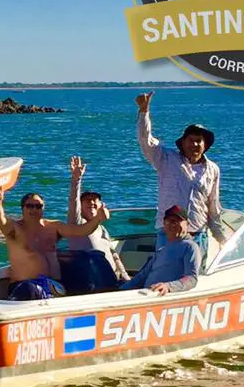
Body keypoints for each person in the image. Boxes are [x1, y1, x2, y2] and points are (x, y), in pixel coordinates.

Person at [135, 91, 223, 255]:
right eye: (191, 140)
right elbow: (145, 140)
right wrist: (144, 112)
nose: (195, 144)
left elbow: (213, 206)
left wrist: (220, 237)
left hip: (197, 234)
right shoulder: (166, 158)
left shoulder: (213, 169)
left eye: (199, 141)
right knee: (165, 274)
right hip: (168, 233)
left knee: (193, 278)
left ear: (205, 145)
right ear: (182, 142)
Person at [0, 188, 108, 300]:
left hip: (53, 286)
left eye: (38, 206)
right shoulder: (15, 228)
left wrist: (97, 219)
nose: (34, 210)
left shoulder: (53, 227)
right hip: (24, 286)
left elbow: (81, 231)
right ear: (22, 208)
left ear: (43, 208)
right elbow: (0, 220)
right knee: (29, 290)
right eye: (30, 206)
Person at [64, 155, 130, 288]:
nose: (92, 202)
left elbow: (114, 255)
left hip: (114, 279)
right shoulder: (77, 224)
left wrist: (125, 276)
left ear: (101, 205)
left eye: (95, 200)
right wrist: (76, 180)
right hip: (93, 282)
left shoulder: (103, 230)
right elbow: (73, 201)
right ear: (80, 207)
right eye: (87, 200)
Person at [121, 205, 202, 295]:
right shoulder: (162, 249)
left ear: (187, 224)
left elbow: (191, 278)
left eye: (177, 221)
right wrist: (120, 290)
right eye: (169, 221)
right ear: (164, 224)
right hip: (144, 294)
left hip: (161, 296)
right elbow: (142, 276)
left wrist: (168, 286)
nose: (172, 224)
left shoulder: (190, 247)